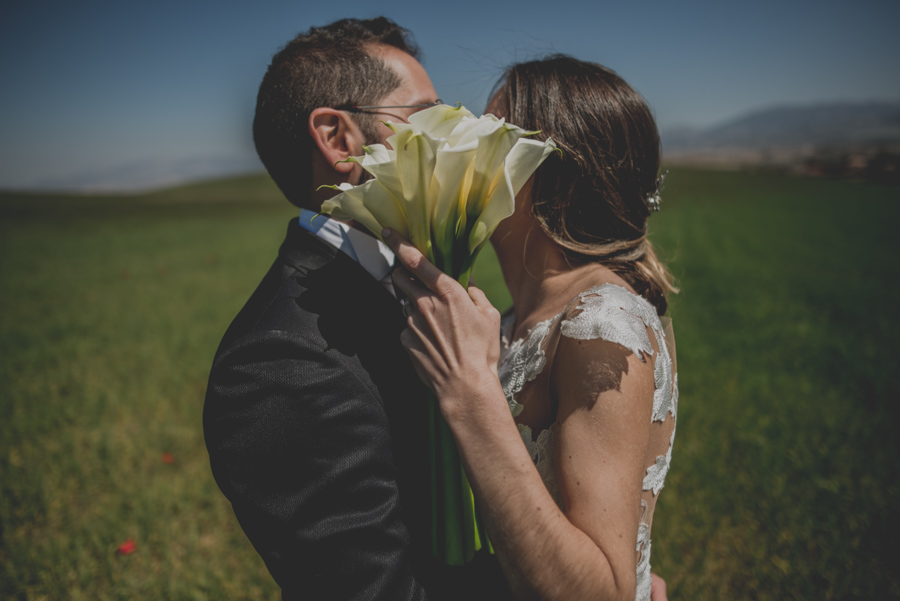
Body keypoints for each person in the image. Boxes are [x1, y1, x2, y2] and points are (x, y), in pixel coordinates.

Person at [383, 54, 678, 601]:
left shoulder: (602, 325)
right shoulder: (520, 317)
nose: (464, 149)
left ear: (543, 170)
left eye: (489, 135)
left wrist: (470, 392)